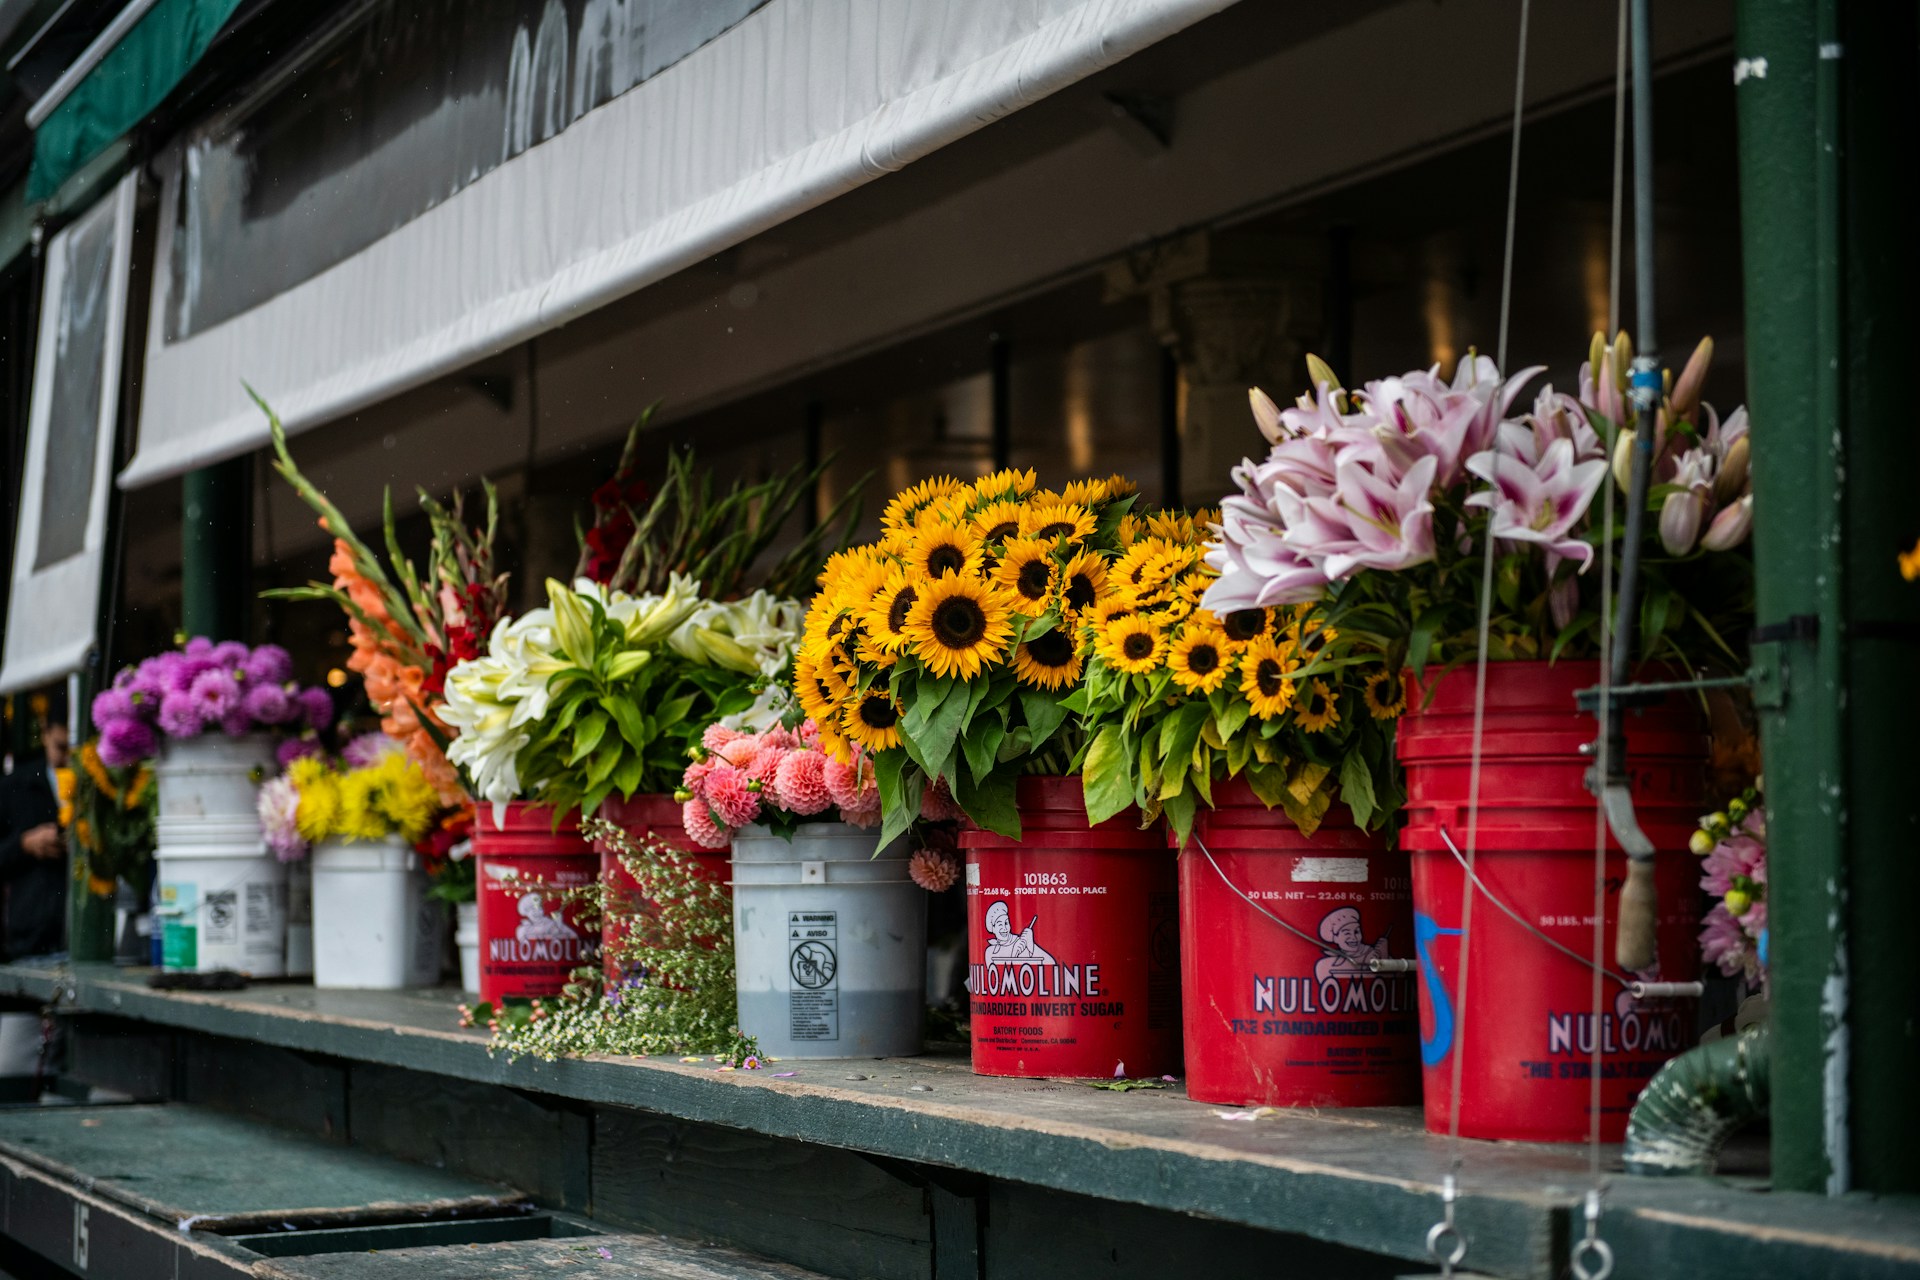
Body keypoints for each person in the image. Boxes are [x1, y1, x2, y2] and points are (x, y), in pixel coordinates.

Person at [0, 719, 69, 963]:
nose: (66, 759)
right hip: (31, 936)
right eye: (61, 747)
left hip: (73, 932)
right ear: (45, 734)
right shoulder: (16, 785)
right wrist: (24, 844)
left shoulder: (93, 781)